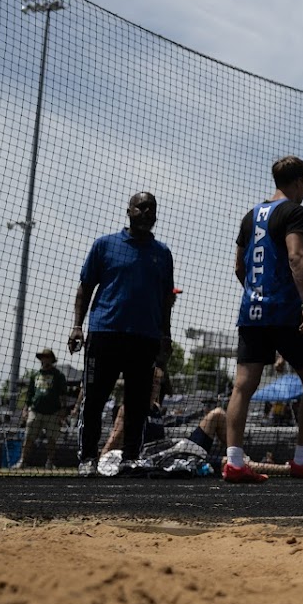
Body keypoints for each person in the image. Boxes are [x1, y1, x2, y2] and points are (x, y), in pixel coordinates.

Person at [224, 156, 303, 483]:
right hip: (286, 311)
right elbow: (296, 257)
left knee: (243, 386)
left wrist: (255, 294)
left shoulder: (249, 216)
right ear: (299, 181)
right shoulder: (294, 211)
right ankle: (302, 459)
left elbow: (239, 268)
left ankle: (234, 462)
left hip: (251, 312)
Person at [68, 192, 175, 477]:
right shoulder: (104, 245)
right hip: (105, 333)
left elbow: (166, 298)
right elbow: (85, 287)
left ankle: (130, 458)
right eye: (141, 207)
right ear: (128, 211)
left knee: (137, 403)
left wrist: (165, 335)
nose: (147, 212)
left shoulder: (162, 253)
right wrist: (77, 326)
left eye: (152, 208)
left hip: (144, 338)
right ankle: (88, 458)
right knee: (94, 399)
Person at [16, 348, 68, 469]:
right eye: (43, 357)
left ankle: (49, 462)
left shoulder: (58, 375)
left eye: (47, 357)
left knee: (51, 439)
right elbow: (30, 394)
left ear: (51, 359)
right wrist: (25, 409)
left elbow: (63, 394)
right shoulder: (35, 375)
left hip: (53, 412)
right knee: (29, 437)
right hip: (35, 410)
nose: (45, 359)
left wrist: (63, 409)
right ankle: (22, 461)